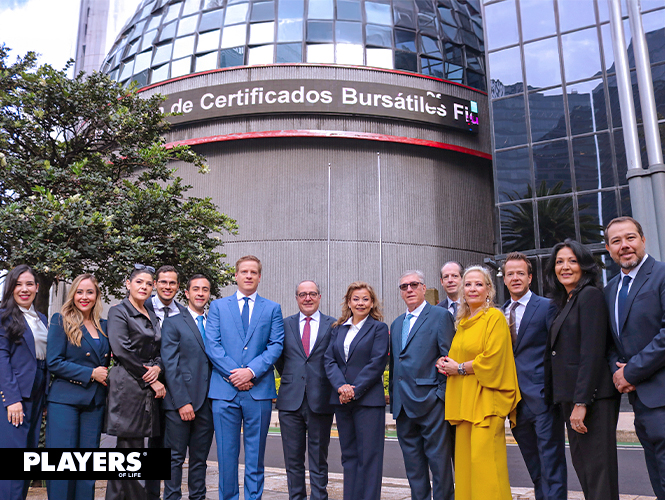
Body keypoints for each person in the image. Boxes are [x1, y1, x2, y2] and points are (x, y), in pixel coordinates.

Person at [543, 239, 620, 500]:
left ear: (584, 266)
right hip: (572, 398)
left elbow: (592, 352)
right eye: (559, 262)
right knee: (586, 472)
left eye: (572, 261)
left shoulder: (590, 296)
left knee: (599, 475)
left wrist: (581, 402)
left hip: (591, 400)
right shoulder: (567, 300)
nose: (565, 267)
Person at [437, 265, 520, 500]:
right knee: (465, 468)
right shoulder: (463, 322)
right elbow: (459, 357)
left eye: (479, 284)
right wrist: (445, 363)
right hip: (465, 403)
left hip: (486, 402)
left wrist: (459, 368)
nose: (473, 289)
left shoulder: (494, 317)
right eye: (468, 284)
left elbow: (493, 359)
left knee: (486, 467)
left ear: (488, 290)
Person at [205, 255, 284, 500]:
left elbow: (276, 345)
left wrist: (250, 372)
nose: (249, 275)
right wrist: (236, 375)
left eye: (253, 272)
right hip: (224, 391)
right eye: (244, 271)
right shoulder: (218, 307)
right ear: (236, 275)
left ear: (259, 277)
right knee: (226, 456)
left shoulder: (272, 308)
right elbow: (212, 345)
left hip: (258, 391)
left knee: (255, 456)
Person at [604, 216, 665, 499]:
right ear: (608, 249)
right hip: (640, 401)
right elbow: (610, 341)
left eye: (630, 238)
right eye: (616, 241)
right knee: (657, 477)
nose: (624, 245)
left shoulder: (661, 275)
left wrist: (630, 372)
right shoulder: (610, 290)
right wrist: (618, 373)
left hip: (661, 395)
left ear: (643, 240)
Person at [501, 253, 567, 500]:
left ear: (530, 277)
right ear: (504, 279)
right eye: (510, 274)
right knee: (535, 468)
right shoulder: (499, 313)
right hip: (515, 403)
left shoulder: (547, 306)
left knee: (552, 464)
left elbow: (557, 350)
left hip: (543, 398)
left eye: (520, 273)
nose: (515, 278)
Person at [389, 270, 455, 500]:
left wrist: (440, 396)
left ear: (424, 288)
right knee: (414, 468)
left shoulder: (440, 316)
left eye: (414, 285)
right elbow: (395, 365)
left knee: (440, 465)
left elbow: (448, 358)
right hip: (403, 407)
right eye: (404, 286)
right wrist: (394, 401)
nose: (409, 289)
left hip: (431, 404)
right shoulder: (397, 323)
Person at [46, 273, 110, 500]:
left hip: (94, 403)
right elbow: (53, 362)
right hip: (65, 401)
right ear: (73, 294)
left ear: (97, 295)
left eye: (89, 292)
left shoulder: (104, 325)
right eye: (79, 292)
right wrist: (90, 373)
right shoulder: (60, 320)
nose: (84, 297)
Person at [105, 264, 166, 500]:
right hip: (128, 385)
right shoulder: (118, 311)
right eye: (139, 282)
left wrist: (158, 367)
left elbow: (159, 349)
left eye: (149, 284)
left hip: (145, 386)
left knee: (133, 451)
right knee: (128, 450)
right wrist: (151, 380)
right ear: (128, 284)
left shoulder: (151, 314)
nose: (144, 287)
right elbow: (122, 351)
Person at [324, 281, 389, 500]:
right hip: (341, 400)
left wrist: (354, 389)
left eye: (365, 299)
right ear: (349, 302)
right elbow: (329, 360)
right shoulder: (338, 328)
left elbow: (377, 362)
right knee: (349, 456)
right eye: (356, 299)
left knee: (369, 457)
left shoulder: (379, 328)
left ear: (372, 303)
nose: (360, 303)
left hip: (368, 401)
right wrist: (340, 386)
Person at [275, 280, 335, 500]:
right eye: (302, 294)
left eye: (312, 294)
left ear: (319, 296)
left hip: (321, 400)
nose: (307, 298)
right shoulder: (284, 324)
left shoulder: (333, 325)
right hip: (290, 401)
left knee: (319, 459)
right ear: (296, 298)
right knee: (293, 460)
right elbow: (279, 359)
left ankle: (319, 497)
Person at [161, 274, 215, 500]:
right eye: (196, 289)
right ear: (186, 293)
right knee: (174, 458)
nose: (200, 293)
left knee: (200, 460)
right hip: (179, 402)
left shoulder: (215, 323)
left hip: (208, 402)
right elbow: (170, 365)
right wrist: (182, 402)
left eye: (205, 289)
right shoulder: (173, 322)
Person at [0, 264, 48, 500]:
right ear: (11, 288)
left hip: (37, 394)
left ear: (37, 287)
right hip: (16, 396)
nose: (24, 289)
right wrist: (12, 399)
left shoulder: (42, 318)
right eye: (18, 284)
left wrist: (46, 397)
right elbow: (1, 358)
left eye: (29, 284)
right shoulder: (4, 317)